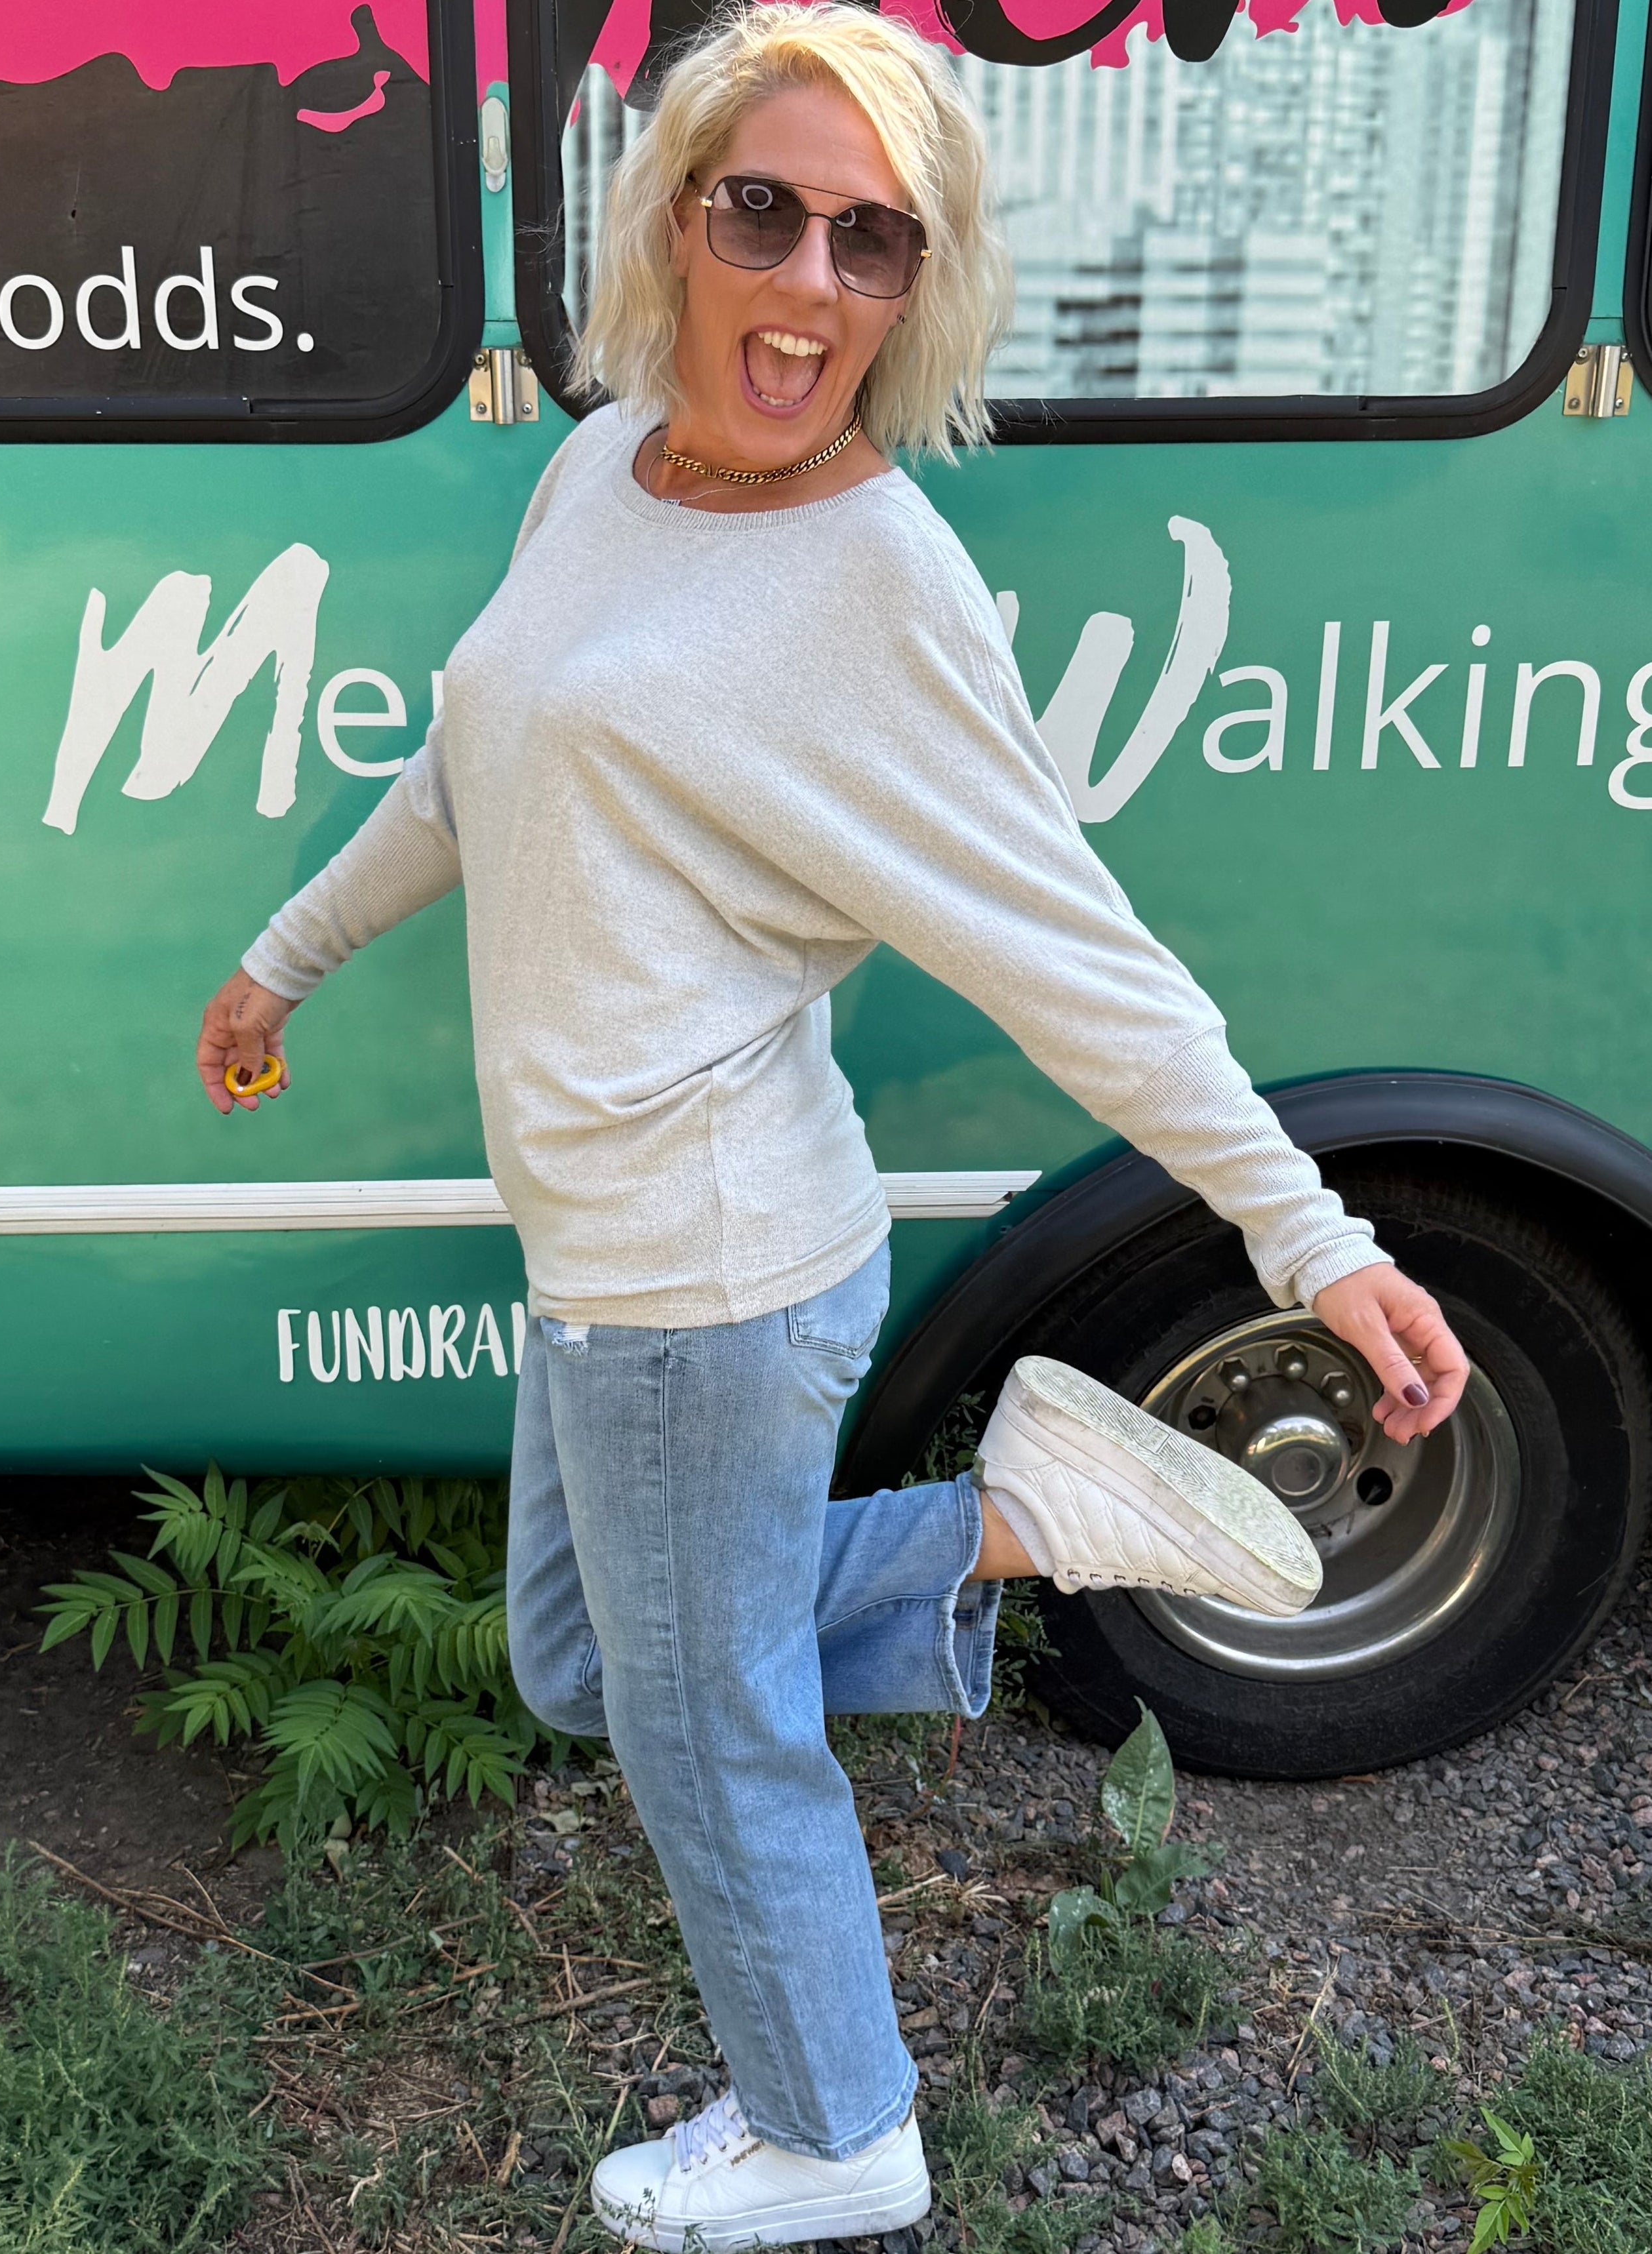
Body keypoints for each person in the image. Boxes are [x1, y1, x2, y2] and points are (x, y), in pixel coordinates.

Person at [195, 6, 1469, 2244]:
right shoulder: (603, 464)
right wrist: (292, 952)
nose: (804, 287)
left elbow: (1079, 952)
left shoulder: (873, 586)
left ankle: (834, 2125)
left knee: (704, 1728)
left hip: (711, 1268)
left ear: (917, 288)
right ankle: (1009, 1523)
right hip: (604, 1253)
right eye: (763, 211)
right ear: (678, 219)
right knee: (590, 1662)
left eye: (870, 243)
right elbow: (468, 763)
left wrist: (1308, 1240)